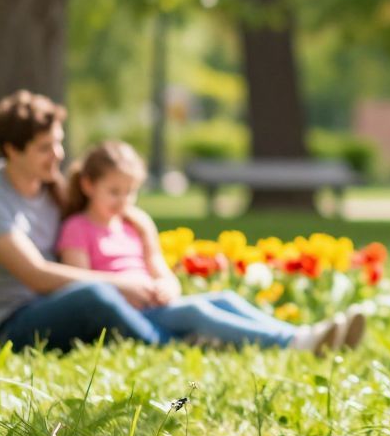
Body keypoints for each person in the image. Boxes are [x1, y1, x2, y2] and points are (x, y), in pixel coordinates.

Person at [0, 90, 358, 352]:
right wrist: (123, 283)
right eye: (45, 148)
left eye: (59, 142)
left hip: (62, 306)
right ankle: (187, 341)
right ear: (12, 149)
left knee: (218, 299)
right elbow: (36, 275)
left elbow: (103, 210)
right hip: (15, 327)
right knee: (97, 296)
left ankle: (301, 337)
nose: (58, 155)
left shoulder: (49, 186)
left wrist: (144, 240)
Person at [57, 139, 360, 353]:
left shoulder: (134, 223)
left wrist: (168, 286)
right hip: (129, 315)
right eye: (113, 192)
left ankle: (303, 334)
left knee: (225, 297)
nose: (123, 201)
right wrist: (127, 289)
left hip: (158, 304)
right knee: (198, 311)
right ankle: (295, 343)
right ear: (88, 185)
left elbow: (159, 268)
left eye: (130, 192)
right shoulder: (77, 228)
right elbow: (81, 287)